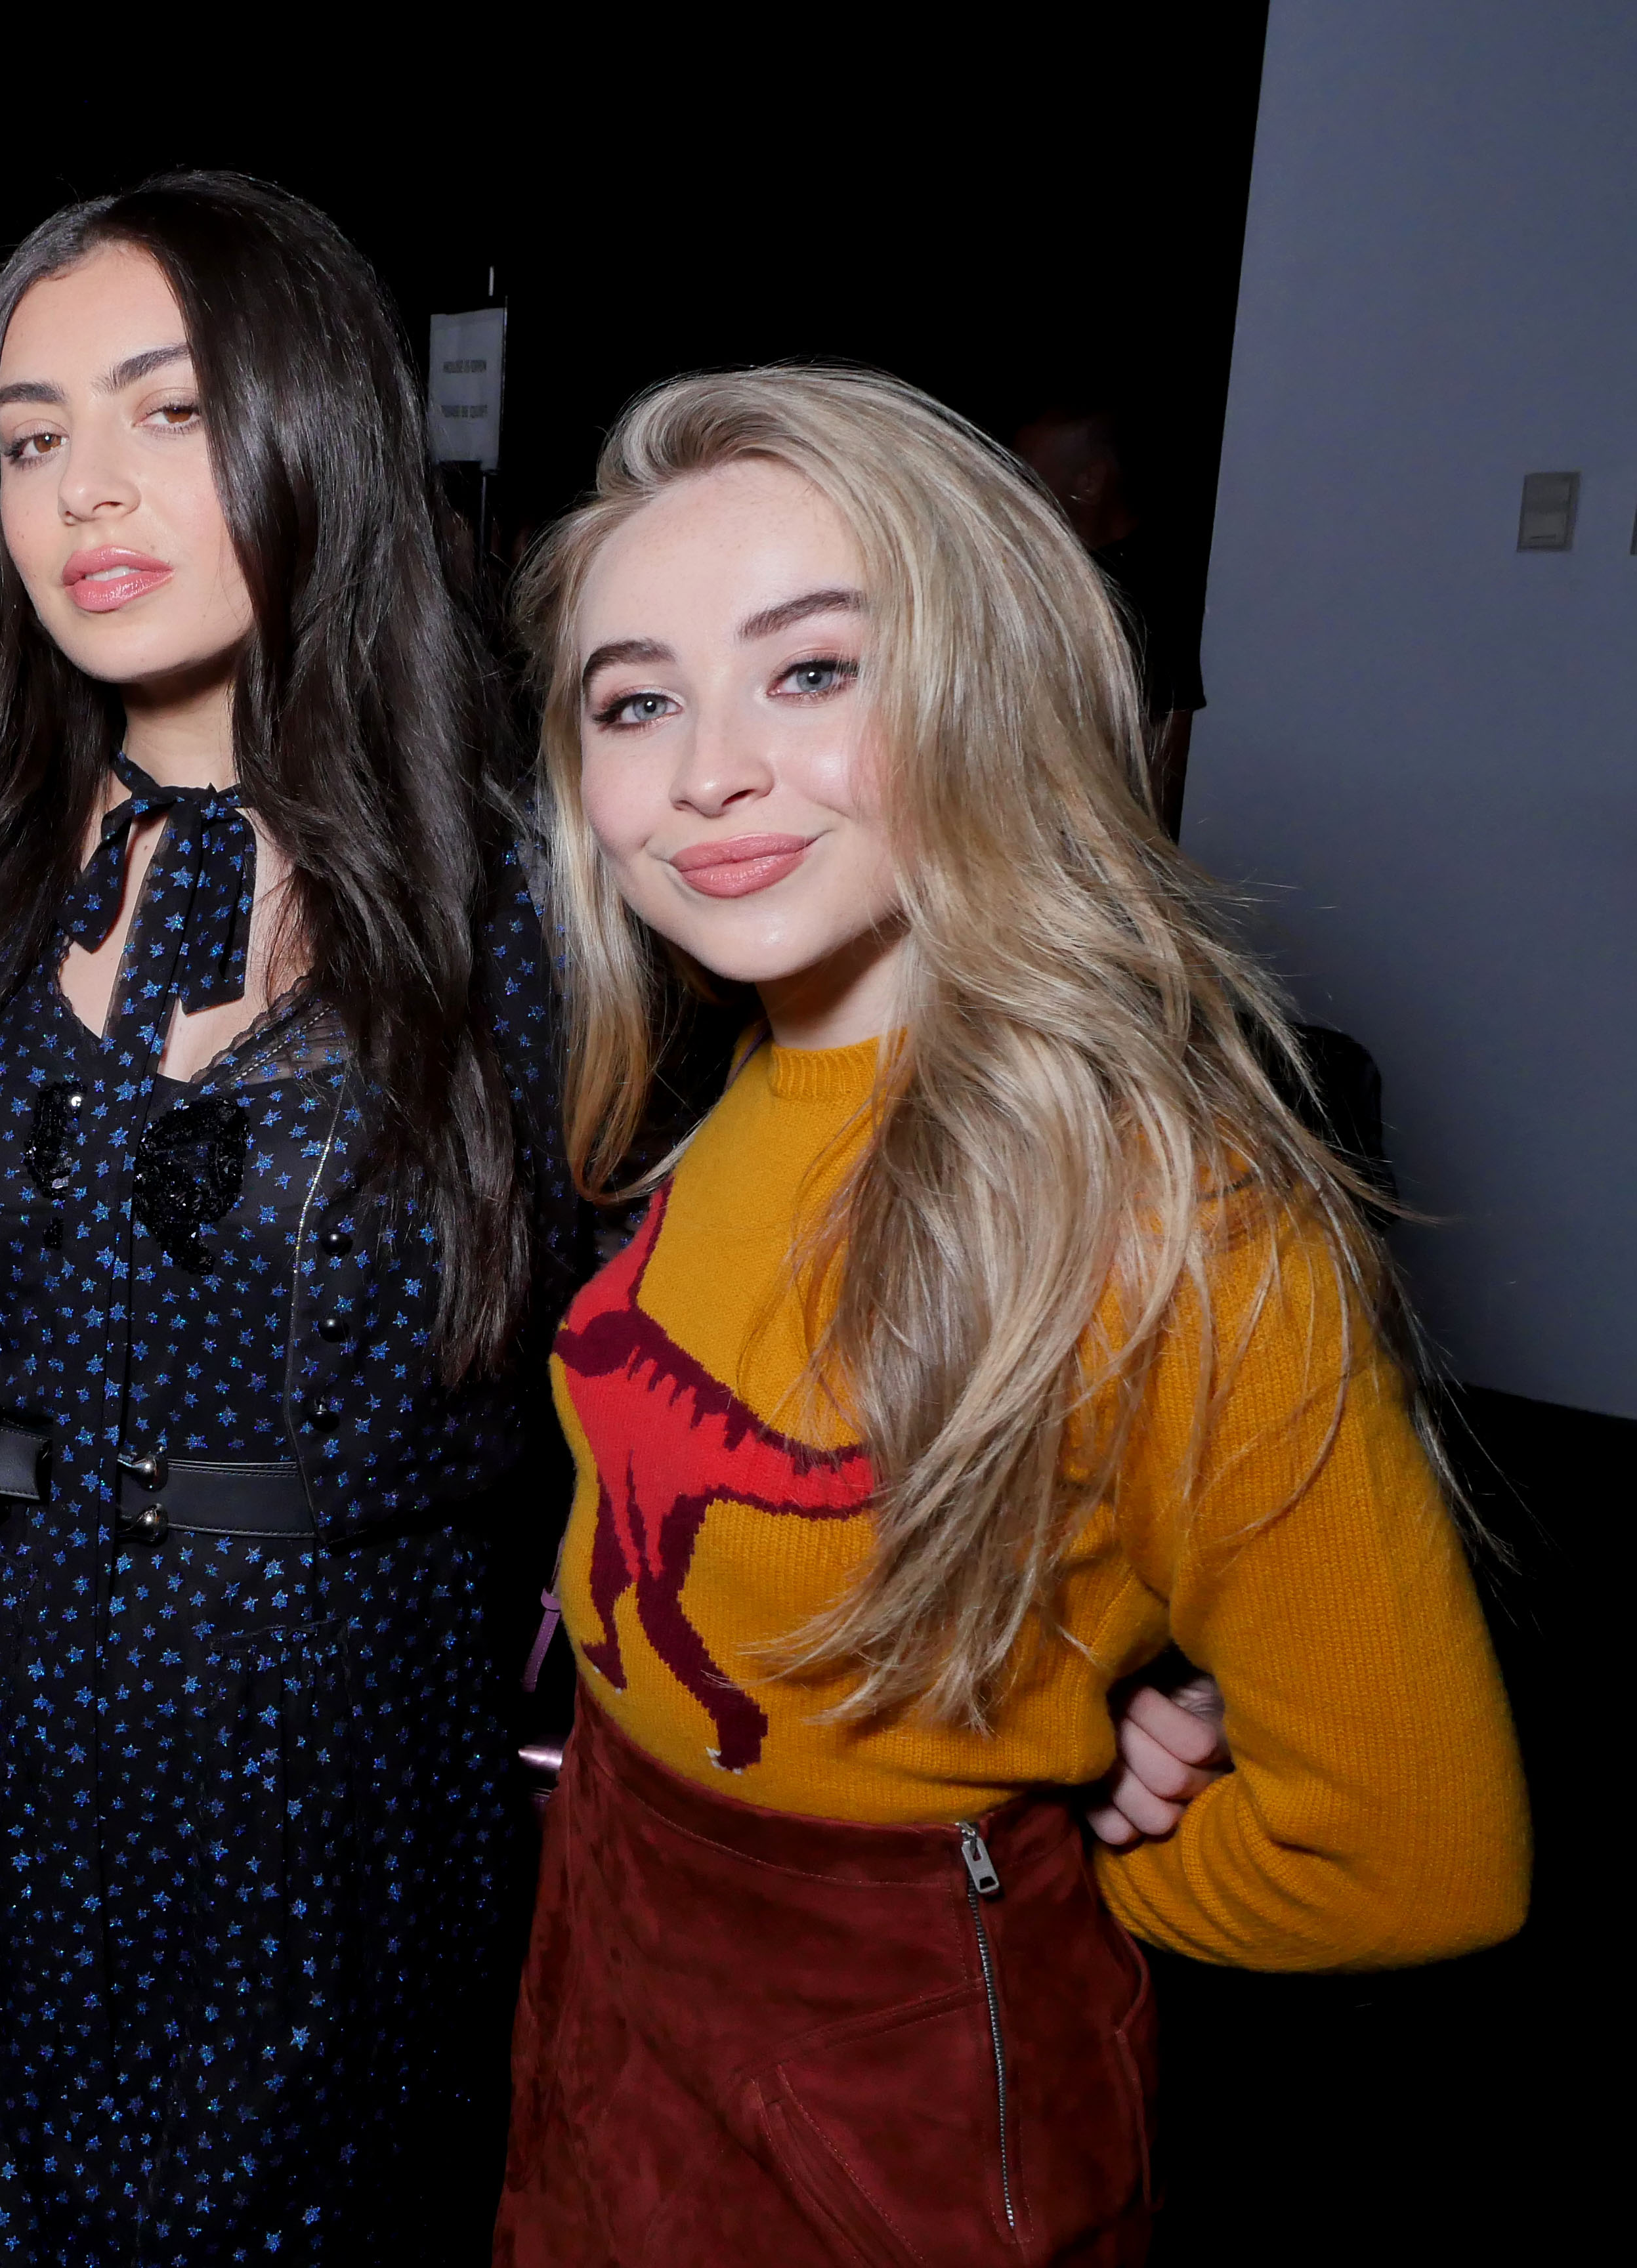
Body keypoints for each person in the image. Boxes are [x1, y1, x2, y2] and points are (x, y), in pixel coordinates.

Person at [497, 366, 1528, 2267]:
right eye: (633, 700)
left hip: (878, 2080)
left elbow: (1412, 1854)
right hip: (613, 1949)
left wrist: (1041, 1876)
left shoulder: (1178, 1223)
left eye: (811, 670)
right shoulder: (724, 1077)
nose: (705, 768)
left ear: (984, 688)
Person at [0, 173, 597, 2263]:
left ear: (312, 428)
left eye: (167, 412)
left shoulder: (524, 897)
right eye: (27, 439)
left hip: (343, 1756)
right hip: (11, 1731)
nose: (83, 490)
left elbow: (739, 1300)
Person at [1011, 406, 1204, 837]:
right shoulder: (1054, 571)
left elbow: (1169, 731)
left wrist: (1140, 852)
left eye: (1028, 472)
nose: (1012, 489)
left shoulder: (1152, 589)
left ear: (1089, 482)